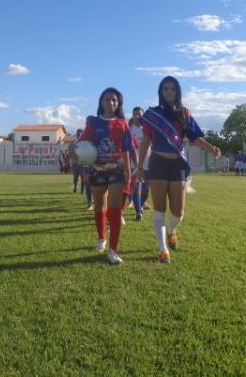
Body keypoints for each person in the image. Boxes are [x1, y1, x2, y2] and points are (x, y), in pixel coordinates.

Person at [137, 76, 220, 264]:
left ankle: (171, 231)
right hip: (157, 163)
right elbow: (146, 142)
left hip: (178, 166)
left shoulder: (184, 113)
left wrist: (210, 147)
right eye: (165, 88)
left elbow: (195, 138)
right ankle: (163, 249)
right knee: (159, 208)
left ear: (177, 91)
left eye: (172, 89)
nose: (168, 92)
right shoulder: (153, 114)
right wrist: (141, 167)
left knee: (178, 212)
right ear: (161, 92)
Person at [77, 88, 132, 265]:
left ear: (119, 103)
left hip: (117, 169)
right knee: (100, 208)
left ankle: (113, 251)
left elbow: (126, 150)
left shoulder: (122, 124)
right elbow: (82, 145)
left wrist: (129, 171)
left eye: (114, 100)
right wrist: (82, 165)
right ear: (101, 102)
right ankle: (102, 238)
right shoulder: (93, 123)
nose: (111, 103)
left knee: (114, 210)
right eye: (107, 99)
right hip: (97, 170)